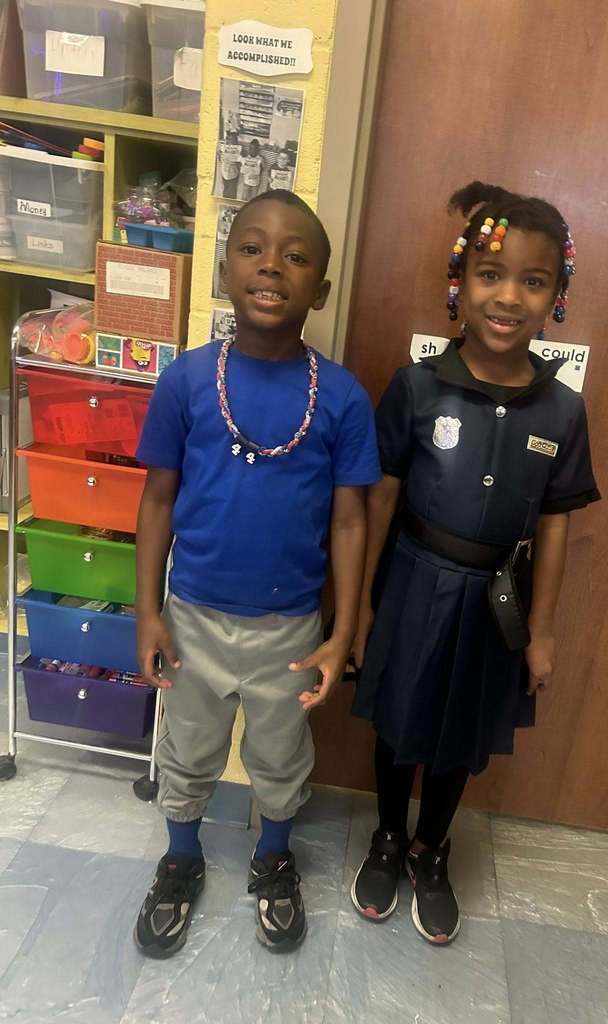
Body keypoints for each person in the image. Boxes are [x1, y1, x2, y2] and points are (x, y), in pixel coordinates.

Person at [349, 181, 600, 945]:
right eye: (491, 275)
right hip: (413, 580)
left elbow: (555, 526)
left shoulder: (562, 410)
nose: (509, 297)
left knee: (460, 731)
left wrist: (545, 632)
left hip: (499, 601)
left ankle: (432, 848)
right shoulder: (417, 387)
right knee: (400, 720)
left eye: (534, 280)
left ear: (558, 294)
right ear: (460, 283)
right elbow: (380, 503)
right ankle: (390, 835)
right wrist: (360, 606)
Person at [132, 190, 381, 958]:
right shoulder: (185, 380)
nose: (272, 264)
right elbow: (158, 497)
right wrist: (147, 612)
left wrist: (342, 633)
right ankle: (181, 858)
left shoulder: (339, 398)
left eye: (297, 255)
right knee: (187, 749)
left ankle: (273, 858)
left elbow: (349, 520)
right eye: (253, 248)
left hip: (291, 628)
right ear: (225, 266)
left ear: (322, 290)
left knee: (280, 756)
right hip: (195, 615)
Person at [216, 130, 242, 199]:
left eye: (233, 139)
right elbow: (220, 160)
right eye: (229, 139)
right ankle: (224, 203)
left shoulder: (238, 149)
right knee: (225, 189)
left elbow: (240, 163)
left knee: (232, 191)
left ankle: (232, 205)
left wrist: (237, 158)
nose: (231, 141)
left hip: (233, 173)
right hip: (224, 172)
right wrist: (220, 154)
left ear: (236, 140)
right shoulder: (223, 148)